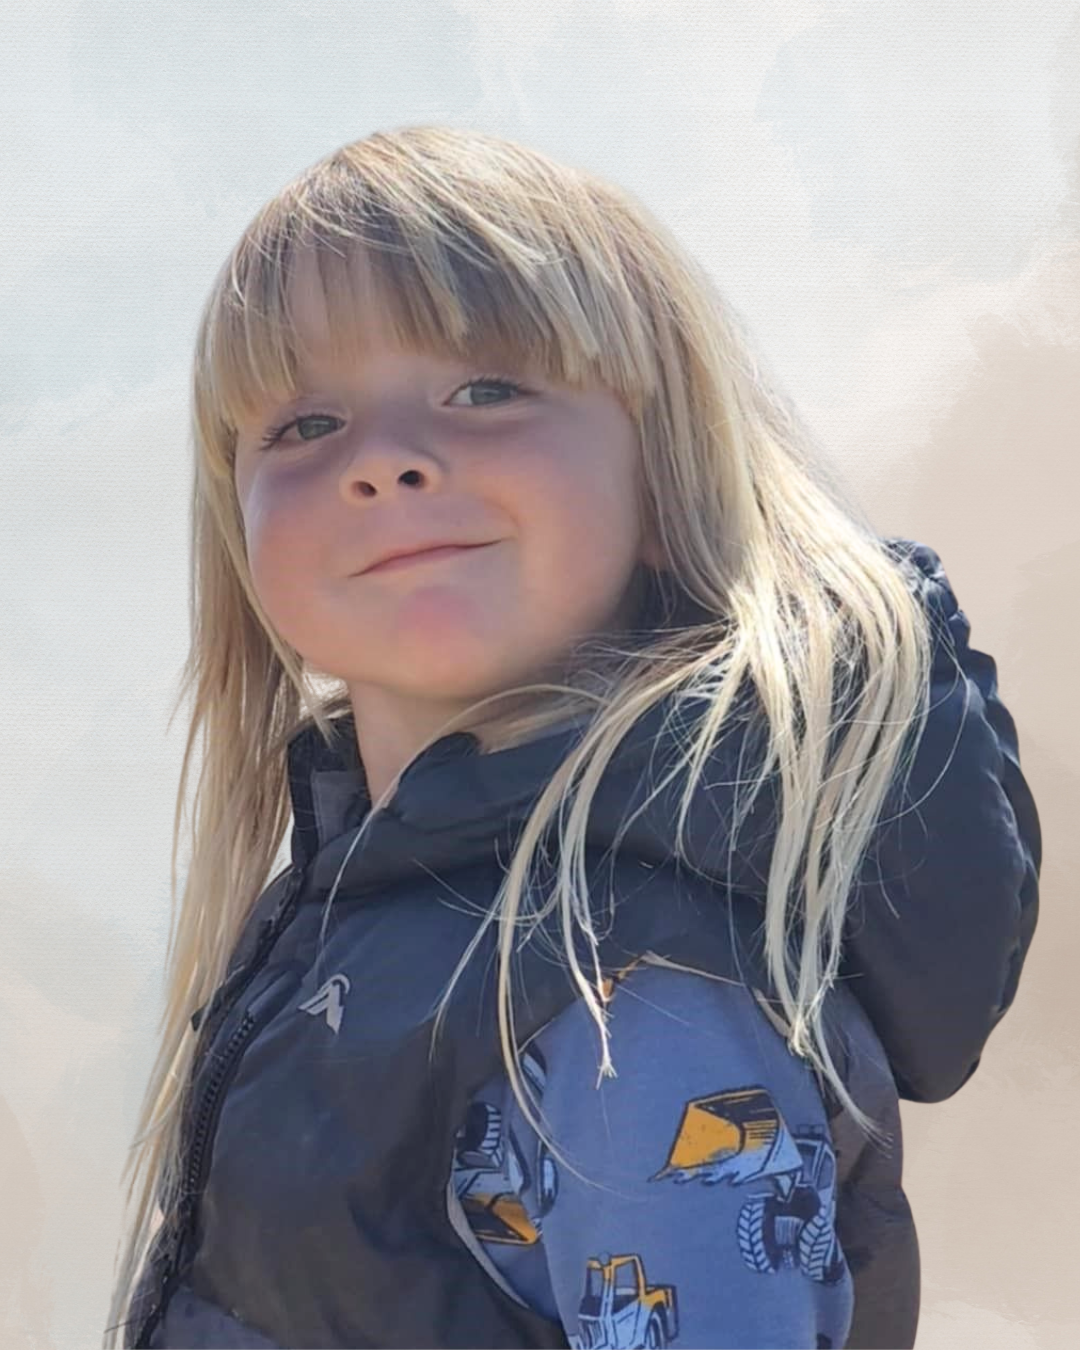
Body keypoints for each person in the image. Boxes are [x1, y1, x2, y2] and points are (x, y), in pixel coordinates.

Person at [104, 125, 1041, 1350]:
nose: (384, 462)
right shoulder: (355, 909)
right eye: (306, 423)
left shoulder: (630, 1000)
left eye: (486, 392)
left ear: (665, 485)